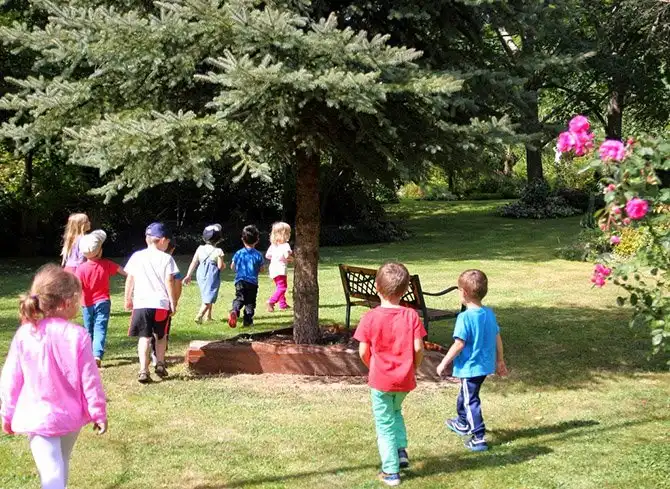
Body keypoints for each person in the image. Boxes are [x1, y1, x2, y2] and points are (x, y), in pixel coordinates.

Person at [0, 264, 108, 489]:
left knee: (52, 471)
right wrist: (98, 412)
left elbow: (10, 379)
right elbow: (90, 380)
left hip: (39, 417)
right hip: (69, 417)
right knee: (59, 465)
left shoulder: (25, 334)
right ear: (67, 302)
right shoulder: (77, 335)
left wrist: (7, 413)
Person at [353, 262, 426, 487]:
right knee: (395, 411)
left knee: (384, 424)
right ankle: (401, 450)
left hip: (381, 380)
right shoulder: (411, 315)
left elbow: (363, 351)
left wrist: (372, 365)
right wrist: (414, 367)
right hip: (405, 379)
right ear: (405, 290)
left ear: (376, 287)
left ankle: (390, 471)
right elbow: (418, 348)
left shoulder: (370, 317)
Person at [436, 269, 508, 452]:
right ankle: (462, 422)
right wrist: (500, 360)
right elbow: (497, 337)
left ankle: (478, 437)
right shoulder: (489, 313)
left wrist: (444, 363)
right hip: (484, 366)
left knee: (470, 400)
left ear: (464, 293)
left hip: (471, 368)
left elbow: (459, 344)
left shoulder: (464, 317)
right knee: (466, 394)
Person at [124, 222, 180, 383]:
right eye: (168, 241)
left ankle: (143, 369)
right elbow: (169, 281)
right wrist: (173, 302)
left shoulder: (137, 256)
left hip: (141, 304)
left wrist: (128, 298)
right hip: (161, 304)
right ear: (162, 240)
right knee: (161, 336)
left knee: (144, 337)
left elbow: (130, 278)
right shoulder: (167, 258)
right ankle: (160, 363)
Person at [75, 229, 126, 367]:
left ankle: (88, 355)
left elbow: (76, 286)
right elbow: (123, 271)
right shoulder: (106, 264)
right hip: (103, 301)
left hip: (86, 303)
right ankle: (97, 354)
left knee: (88, 329)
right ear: (100, 251)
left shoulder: (80, 269)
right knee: (100, 328)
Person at [183, 224, 225, 323]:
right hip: (211, 275)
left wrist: (188, 275)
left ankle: (208, 316)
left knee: (206, 294)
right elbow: (220, 266)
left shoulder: (200, 248)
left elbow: (194, 262)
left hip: (200, 273)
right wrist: (224, 265)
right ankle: (199, 316)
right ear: (218, 239)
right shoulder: (218, 251)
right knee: (210, 296)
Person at [151, 239, 183, 366]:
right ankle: (159, 355)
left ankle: (152, 353)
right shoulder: (169, 262)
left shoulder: (150, 259)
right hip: (164, 302)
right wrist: (174, 301)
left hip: (147, 301)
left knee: (149, 330)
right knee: (162, 331)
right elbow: (177, 282)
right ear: (172, 249)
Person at [228, 225, 264, 328]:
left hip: (240, 281)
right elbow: (262, 269)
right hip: (252, 283)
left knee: (240, 298)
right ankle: (247, 321)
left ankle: (235, 310)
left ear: (242, 239)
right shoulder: (258, 255)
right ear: (257, 240)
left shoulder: (239, 253)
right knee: (250, 302)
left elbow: (232, 267)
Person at [265, 221, 293, 312]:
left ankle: (283, 304)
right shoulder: (285, 245)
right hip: (280, 269)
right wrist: (294, 260)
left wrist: (276, 257)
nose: (289, 235)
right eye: (288, 233)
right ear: (284, 234)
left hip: (273, 268)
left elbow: (267, 255)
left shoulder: (273, 245)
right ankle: (271, 301)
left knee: (279, 286)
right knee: (282, 287)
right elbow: (287, 256)